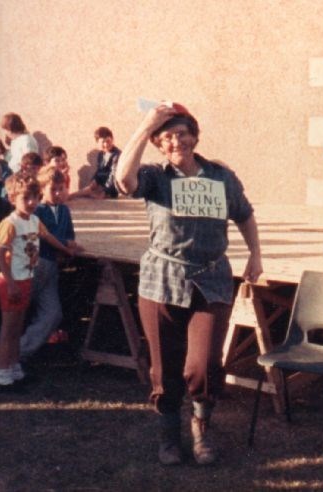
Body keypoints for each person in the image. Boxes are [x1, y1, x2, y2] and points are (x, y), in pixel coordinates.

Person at [115, 103, 263, 466]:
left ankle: (200, 429)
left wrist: (255, 255)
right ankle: (168, 435)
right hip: (161, 280)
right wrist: (146, 124)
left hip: (211, 279)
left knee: (204, 364)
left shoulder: (221, 177)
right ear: (158, 145)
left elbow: (244, 214)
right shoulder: (154, 177)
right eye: (166, 136)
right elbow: (123, 180)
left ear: (195, 137)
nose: (175, 140)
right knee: (163, 367)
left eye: (182, 133)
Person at [0, 171, 75, 387]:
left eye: (35, 197)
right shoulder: (10, 223)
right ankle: (2, 374)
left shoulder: (34, 220)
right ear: (12, 199)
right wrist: (10, 282)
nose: (32, 203)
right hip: (11, 282)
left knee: (18, 328)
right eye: (26, 198)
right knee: (8, 330)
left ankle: (14, 369)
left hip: (26, 279)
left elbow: (48, 237)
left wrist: (67, 250)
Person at [20, 165, 81, 360]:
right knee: (19, 310)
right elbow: (41, 237)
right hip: (36, 266)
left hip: (52, 267)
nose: (57, 193)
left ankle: (21, 351)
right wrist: (65, 245)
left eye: (61, 189)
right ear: (42, 190)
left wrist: (68, 246)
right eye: (52, 189)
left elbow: (70, 236)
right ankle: (7, 355)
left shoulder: (64, 210)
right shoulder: (37, 210)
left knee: (53, 313)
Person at [69, 127, 120, 199]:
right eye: (103, 142)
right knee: (89, 188)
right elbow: (99, 171)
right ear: (97, 143)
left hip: (112, 186)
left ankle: (100, 193)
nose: (106, 144)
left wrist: (105, 192)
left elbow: (113, 175)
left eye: (108, 141)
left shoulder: (116, 155)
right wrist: (93, 181)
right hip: (102, 182)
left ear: (112, 140)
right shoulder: (101, 154)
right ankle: (72, 195)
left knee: (91, 190)